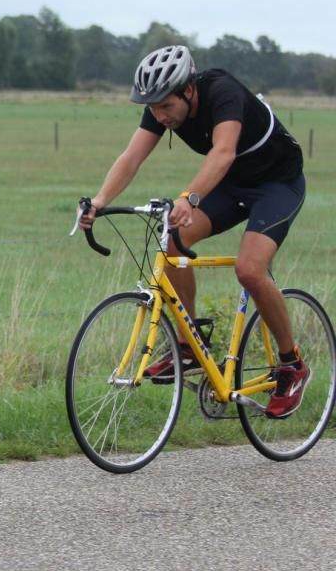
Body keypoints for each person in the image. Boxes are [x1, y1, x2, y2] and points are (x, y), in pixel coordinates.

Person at [80, 44, 308, 418]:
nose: (159, 115)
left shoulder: (224, 93)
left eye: (166, 106)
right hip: (233, 186)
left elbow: (223, 153)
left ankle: (291, 364)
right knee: (170, 243)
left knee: (250, 269)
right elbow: (131, 157)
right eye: (152, 108)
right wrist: (100, 200)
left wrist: (189, 197)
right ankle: (188, 346)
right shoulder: (161, 108)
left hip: (277, 186)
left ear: (188, 90)